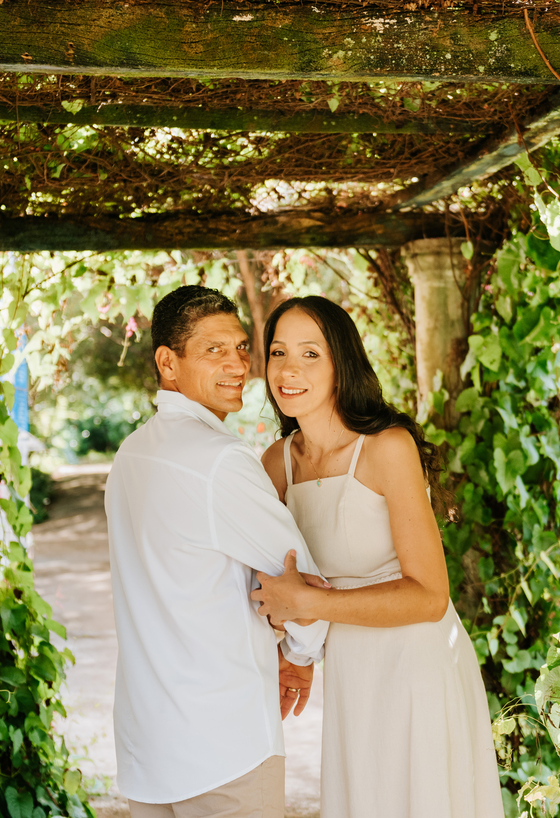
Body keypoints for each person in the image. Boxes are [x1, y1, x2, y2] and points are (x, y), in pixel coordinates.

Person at [251, 295, 504, 818]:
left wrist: (311, 605)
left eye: (310, 353)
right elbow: (281, 576)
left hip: (415, 663)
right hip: (349, 669)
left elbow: (430, 597)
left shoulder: (387, 447)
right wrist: (297, 655)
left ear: (341, 365)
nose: (289, 369)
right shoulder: (277, 463)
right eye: (278, 352)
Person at [105, 285, 329, 818]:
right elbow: (302, 586)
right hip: (225, 745)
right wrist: (299, 656)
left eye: (242, 347)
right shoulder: (220, 459)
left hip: (147, 745)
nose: (238, 364)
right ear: (168, 363)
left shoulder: (130, 454)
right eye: (214, 350)